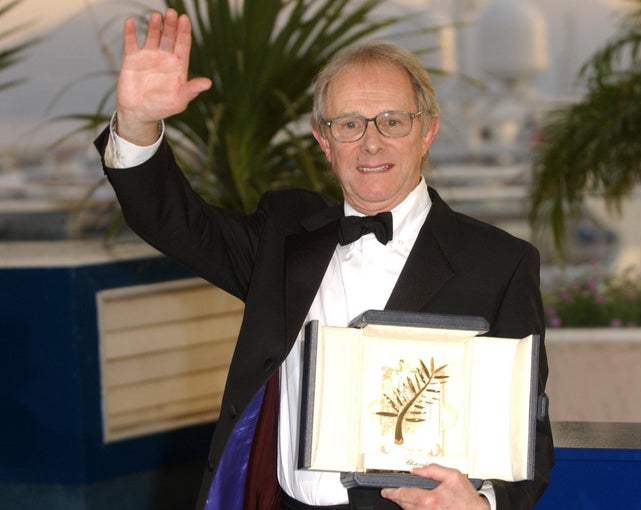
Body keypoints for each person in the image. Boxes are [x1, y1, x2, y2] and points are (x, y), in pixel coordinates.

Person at [95, 8, 553, 510]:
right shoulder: (283, 235)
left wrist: (482, 504)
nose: (371, 141)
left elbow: (526, 430)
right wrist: (138, 123)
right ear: (324, 141)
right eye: (349, 124)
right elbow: (173, 221)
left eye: (393, 121)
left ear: (427, 133)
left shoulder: (499, 264)